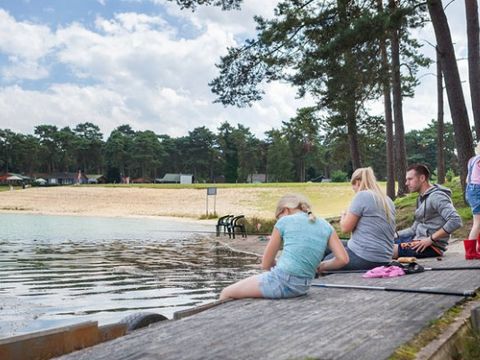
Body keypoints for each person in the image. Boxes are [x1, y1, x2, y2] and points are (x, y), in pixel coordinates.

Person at [219, 194, 349, 300]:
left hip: (282, 282)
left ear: (285, 210)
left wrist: (276, 263)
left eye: (278, 217)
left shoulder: (284, 222)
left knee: (226, 292)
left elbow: (266, 264)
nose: (278, 220)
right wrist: (320, 266)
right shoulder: (325, 225)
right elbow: (343, 259)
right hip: (303, 286)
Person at [322, 167, 396, 270]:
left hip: (366, 256)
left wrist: (343, 215)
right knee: (326, 244)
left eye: (354, 187)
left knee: (327, 260)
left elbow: (345, 228)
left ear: (357, 182)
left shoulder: (362, 196)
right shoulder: (387, 199)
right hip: (384, 257)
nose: (354, 191)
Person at [393, 164, 462, 259]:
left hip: (432, 246)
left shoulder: (437, 197)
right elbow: (414, 229)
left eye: (410, 179)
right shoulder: (420, 198)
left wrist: (430, 239)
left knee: (385, 250)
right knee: (381, 243)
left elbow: (456, 220)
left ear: (422, 178)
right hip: (417, 240)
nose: (406, 183)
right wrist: (395, 235)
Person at [464, 144, 480, 259]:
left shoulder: (472, 160)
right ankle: (470, 253)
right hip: (478, 190)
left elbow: (467, 179)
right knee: (477, 223)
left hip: (470, 190)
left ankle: (475, 250)